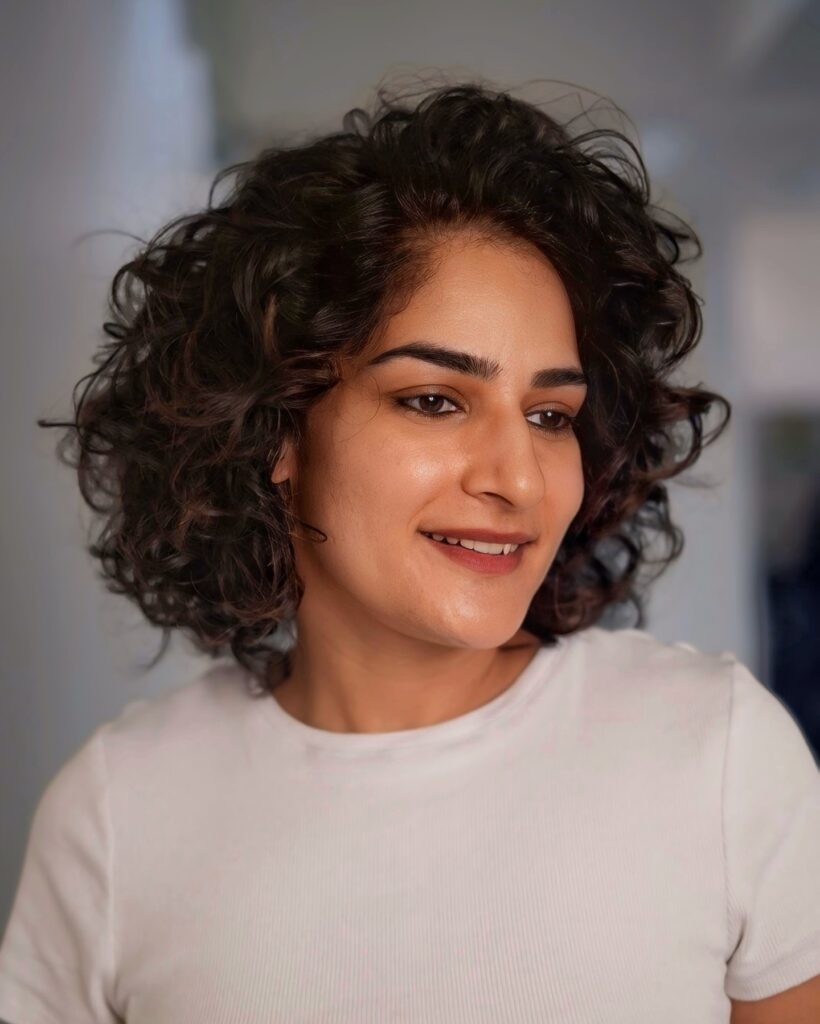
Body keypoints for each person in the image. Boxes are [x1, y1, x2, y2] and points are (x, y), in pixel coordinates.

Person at [0, 79, 817, 1024]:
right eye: (434, 400)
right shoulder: (116, 816)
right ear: (277, 430)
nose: (519, 478)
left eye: (550, 415)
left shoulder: (716, 752)